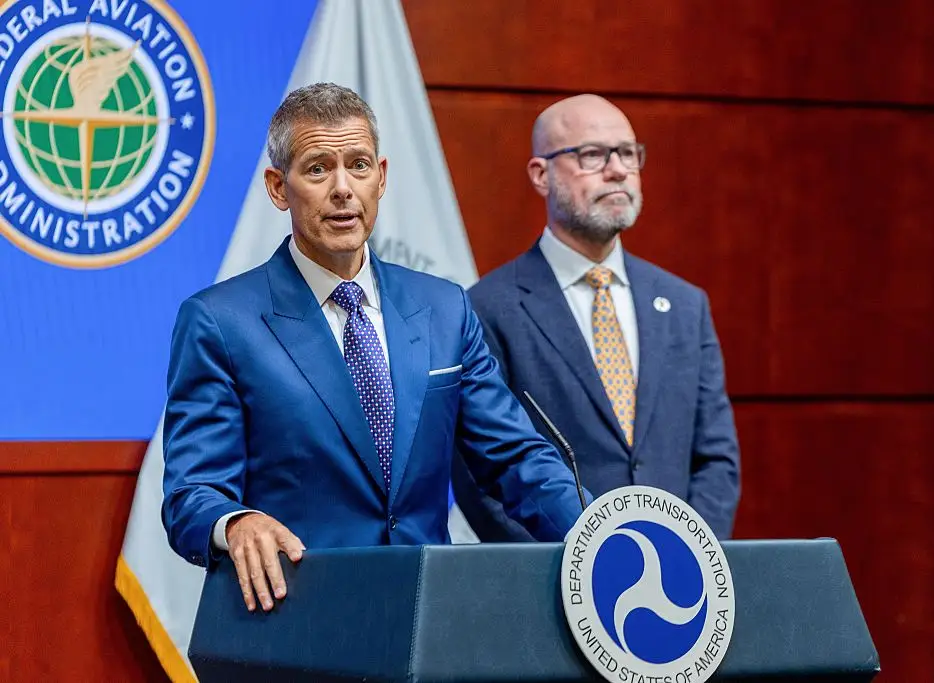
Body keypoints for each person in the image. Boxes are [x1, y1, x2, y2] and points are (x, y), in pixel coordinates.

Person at [161, 83, 588, 613]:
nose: (343, 188)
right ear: (277, 187)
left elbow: (516, 458)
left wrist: (602, 535)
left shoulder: (444, 308)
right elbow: (191, 494)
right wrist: (237, 522)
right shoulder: (221, 322)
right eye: (318, 169)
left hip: (427, 623)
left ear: (380, 178)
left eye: (359, 166)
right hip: (299, 626)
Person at [452, 94, 740, 542]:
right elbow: (479, 479)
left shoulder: (685, 304)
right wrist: (575, 573)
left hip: (681, 584)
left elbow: (716, 459)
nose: (618, 169)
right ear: (540, 175)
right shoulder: (488, 308)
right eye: (592, 155)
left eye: (627, 153)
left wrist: (692, 555)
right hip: (553, 587)